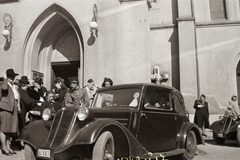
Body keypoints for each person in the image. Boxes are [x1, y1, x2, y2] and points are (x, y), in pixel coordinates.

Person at [0, 69, 20, 156]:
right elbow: (4, 88)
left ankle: (8, 147)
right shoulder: (4, 84)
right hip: (6, 108)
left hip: (13, 108)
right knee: (4, 129)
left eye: (13, 77)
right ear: (7, 77)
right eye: (10, 77)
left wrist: (18, 105)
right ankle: (3, 147)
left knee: (9, 129)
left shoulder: (13, 86)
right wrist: (4, 78)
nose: (12, 79)